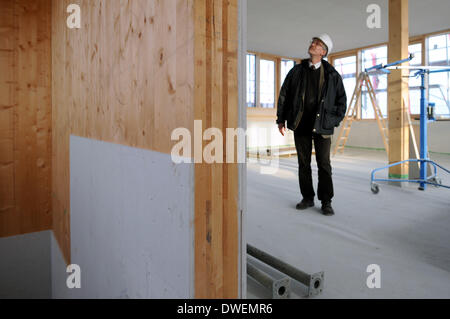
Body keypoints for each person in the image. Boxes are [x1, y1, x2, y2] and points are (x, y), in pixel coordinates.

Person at [276, 34, 347, 216]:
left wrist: (331, 121)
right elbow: (284, 94)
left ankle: (326, 201)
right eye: (313, 42)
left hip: (322, 127)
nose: (312, 44)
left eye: (317, 44)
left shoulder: (332, 75)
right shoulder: (296, 71)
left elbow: (341, 102)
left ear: (323, 52)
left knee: (324, 164)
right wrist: (281, 119)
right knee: (303, 163)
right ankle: (307, 198)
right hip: (301, 125)